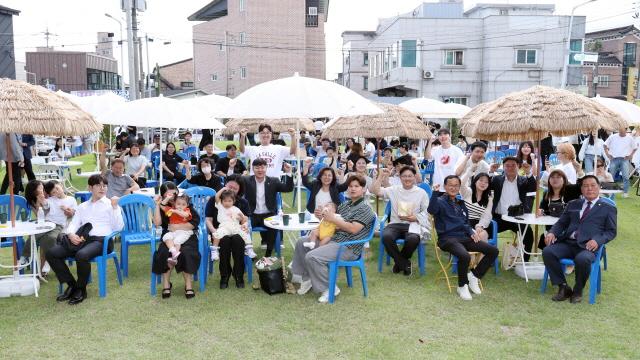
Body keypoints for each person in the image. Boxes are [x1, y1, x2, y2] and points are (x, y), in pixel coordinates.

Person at [291, 174, 376, 303]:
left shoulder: (365, 208)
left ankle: (330, 288)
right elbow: (332, 224)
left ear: (363, 189)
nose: (352, 189)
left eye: (356, 186)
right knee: (302, 242)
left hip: (349, 247)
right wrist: (322, 216)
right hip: (334, 239)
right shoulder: (345, 205)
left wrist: (333, 218)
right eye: (350, 186)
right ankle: (307, 278)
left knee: (312, 256)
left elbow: (353, 229)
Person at [46, 174, 125, 305]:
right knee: (52, 253)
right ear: (90, 188)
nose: (102, 188)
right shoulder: (82, 206)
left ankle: (81, 290)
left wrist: (115, 208)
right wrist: (71, 234)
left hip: (102, 241)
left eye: (104, 186)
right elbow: (74, 224)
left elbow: (119, 227)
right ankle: (72, 285)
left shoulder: (111, 204)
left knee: (81, 255)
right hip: (82, 239)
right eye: (98, 185)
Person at [542, 175, 617, 303]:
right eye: (585, 186)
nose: (589, 189)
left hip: (588, 246)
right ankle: (563, 287)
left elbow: (611, 231)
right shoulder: (573, 204)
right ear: (581, 189)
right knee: (548, 251)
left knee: (582, 259)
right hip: (568, 243)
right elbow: (561, 223)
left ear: (599, 187)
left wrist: (597, 240)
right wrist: (552, 232)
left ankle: (577, 290)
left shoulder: (608, 208)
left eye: (593, 185)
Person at [428, 175, 499, 300]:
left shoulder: (460, 203)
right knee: (464, 255)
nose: (453, 188)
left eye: (456, 185)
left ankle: (474, 276)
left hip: (464, 237)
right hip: (447, 239)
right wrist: (434, 193)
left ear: (459, 187)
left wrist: (471, 232)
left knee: (493, 251)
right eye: (450, 185)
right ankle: (462, 285)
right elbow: (431, 210)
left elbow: (464, 223)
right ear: (445, 186)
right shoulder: (439, 201)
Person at [371, 166, 430, 275]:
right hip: (395, 223)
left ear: (414, 177)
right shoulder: (394, 189)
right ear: (400, 177)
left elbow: (428, 211)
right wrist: (381, 176)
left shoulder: (421, 193)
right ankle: (404, 263)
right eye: (404, 176)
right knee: (386, 236)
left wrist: (416, 217)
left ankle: (399, 263)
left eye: (410, 176)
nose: (407, 179)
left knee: (413, 239)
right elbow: (375, 191)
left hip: (412, 224)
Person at [152, 182, 200, 299]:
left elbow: (194, 223)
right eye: (168, 194)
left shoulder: (184, 203)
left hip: (187, 234)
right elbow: (157, 223)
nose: (172, 197)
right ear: (163, 195)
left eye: (174, 193)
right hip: (169, 235)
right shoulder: (165, 207)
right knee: (164, 252)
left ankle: (188, 286)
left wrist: (177, 227)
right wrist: (157, 205)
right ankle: (166, 284)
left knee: (187, 252)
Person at [20, 180, 77, 275]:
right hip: (46, 223)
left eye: (57, 189)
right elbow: (45, 206)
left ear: (61, 185)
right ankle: (25, 256)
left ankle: (48, 261)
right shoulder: (51, 200)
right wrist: (41, 201)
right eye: (53, 192)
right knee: (34, 235)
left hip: (58, 225)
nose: (56, 192)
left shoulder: (71, 200)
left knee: (50, 238)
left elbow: (74, 213)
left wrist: (69, 212)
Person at [205, 175, 251, 288]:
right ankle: (224, 276)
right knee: (224, 241)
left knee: (237, 240)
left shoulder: (242, 202)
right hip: (220, 231)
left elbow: (246, 219)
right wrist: (213, 230)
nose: (231, 190)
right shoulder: (216, 201)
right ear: (225, 185)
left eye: (235, 188)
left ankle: (238, 275)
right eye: (229, 186)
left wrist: (245, 225)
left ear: (240, 189)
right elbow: (208, 219)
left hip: (236, 230)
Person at [242, 158, 294, 257]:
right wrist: (231, 168)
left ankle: (268, 253)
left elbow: (288, 188)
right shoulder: (246, 180)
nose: (260, 170)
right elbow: (234, 185)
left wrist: (289, 173)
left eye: (262, 167)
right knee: (243, 228)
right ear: (253, 169)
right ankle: (248, 252)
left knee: (273, 226)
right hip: (251, 214)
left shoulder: (274, 181)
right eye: (257, 167)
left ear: (266, 168)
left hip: (268, 214)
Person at [490, 157, 537, 261]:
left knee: (528, 235)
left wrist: (528, 172)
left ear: (518, 167)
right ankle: (488, 257)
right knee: (485, 231)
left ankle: (525, 261)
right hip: (499, 217)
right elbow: (486, 186)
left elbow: (533, 187)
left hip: (517, 218)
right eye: (507, 165)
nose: (510, 168)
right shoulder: (497, 180)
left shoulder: (524, 180)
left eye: (513, 165)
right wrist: (491, 172)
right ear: (503, 167)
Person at [536, 169, 580, 250]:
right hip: (551, 227)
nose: (555, 179)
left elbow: (581, 185)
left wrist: (580, 171)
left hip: (567, 228)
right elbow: (542, 208)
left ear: (564, 179)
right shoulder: (547, 193)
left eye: (558, 177)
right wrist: (541, 211)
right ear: (549, 180)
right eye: (552, 177)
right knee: (545, 237)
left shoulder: (571, 190)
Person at [210, 189, 255, 259]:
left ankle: (249, 248)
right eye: (225, 201)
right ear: (221, 201)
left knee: (245, 233)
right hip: (224, 226)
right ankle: (214, 250)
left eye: (229, 201)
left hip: (235, 226)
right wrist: (224, 189)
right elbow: (216, 196)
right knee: (217, 234)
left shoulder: (236, 209)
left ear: (233, 201)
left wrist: (241, 219)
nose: (227, 203)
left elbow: (243, 218)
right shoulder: (220, 206)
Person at [159, 194, 194, 266]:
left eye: (183, 204)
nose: (180, 206)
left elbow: (185, 215)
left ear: (187, 205)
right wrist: (167, 198)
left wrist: (175, 211)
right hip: (173, 231)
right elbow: (161, 205)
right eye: (178, 204)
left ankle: (174, 258)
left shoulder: (186, 210)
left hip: (184, 231)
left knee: (177, 241)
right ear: (174, 204)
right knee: (166, 237)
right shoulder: (171, 209)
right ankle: (173, 251)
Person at [458, 171, 493, 242]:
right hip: (464, 222)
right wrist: (469, 171)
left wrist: (480, 226)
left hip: (478, 224)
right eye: (481, 180)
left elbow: (487, 215)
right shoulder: (468, 192)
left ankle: (482, 253)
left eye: (486, 182)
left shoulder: (489, 199)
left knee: (483, 235)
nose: (483, 183)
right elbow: (461, 184)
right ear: (475, 181)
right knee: (473, 235)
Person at [604, 127, 637, 198]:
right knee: (610, 176)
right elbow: (605, 145)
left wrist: (630, 155)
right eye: (619, 130)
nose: (620, 131)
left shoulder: (630, 138)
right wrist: (608, 155)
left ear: (626, 130)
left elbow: (635, 148)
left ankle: (625, 193)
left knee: (625, 177)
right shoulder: (612, 136)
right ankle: (609, 192)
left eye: (622, 130)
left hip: (624, 159)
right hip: (614, 159)